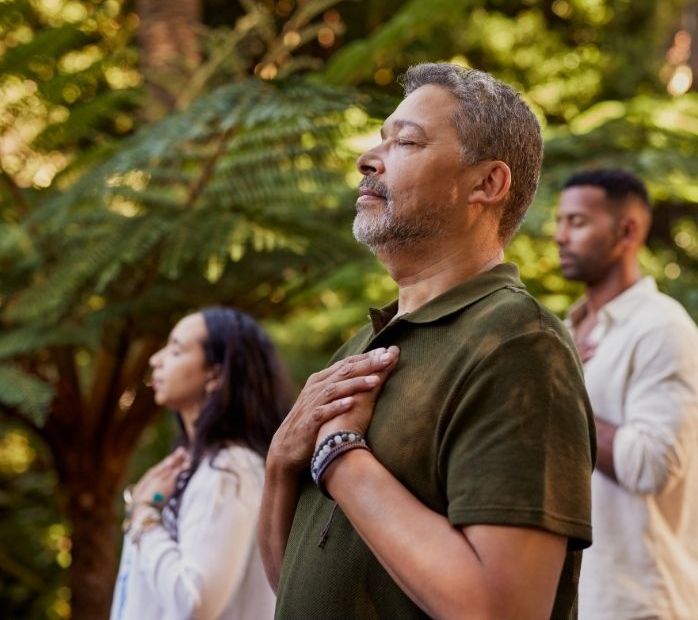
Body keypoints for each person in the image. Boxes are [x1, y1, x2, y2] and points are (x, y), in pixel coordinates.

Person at [258, 63, 595, 619]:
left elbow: (502, 609)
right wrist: (281, 462)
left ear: (487, 184)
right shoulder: (358, 348)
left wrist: (339, 456)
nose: (369, 159)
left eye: (407, 141)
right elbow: (291, 582)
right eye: (379, 139)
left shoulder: (517, 343)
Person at [554, 168, 698, 620]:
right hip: (568, 597)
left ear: (628, 231)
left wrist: (560, 397)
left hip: (637, 603)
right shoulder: (567, 331)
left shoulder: (662, 329)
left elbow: (650, 464)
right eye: (561, 221)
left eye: (578, 222)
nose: (561, 236)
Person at [111, 307, 290, 620]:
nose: (156, 359)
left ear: (216, 374)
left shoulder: (230, 470)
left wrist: (143, 516)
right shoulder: (196, 466)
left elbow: (193, 602)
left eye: (176, 349)